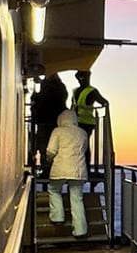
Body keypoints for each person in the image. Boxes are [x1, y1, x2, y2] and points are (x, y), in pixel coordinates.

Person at [44, 109, 89, 238]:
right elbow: (84, 150)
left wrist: (48, 159)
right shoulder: (83, 133)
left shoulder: (57, 131)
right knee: (77, 199)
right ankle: (80, 231)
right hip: (78, 170)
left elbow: (51, 150)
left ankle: (57, 217)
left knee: (54, 189)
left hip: (60, 168)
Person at [72, 68, 109, 168]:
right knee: (82, 146)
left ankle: (84, 167)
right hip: (80, 122)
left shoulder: (88, 91)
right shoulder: (84, 91)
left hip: (83, 123)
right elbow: (104, 102)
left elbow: (104, 102)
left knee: (82, 145)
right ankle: (82, 167)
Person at [30, 73, 67, 167]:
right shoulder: (60, 88)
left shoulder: (51, 88)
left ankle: (46, 169)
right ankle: (52, 169)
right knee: (53, 147)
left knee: (44, 147)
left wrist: (35, 97)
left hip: (45, 121)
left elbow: (45, 99)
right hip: (55, 122)